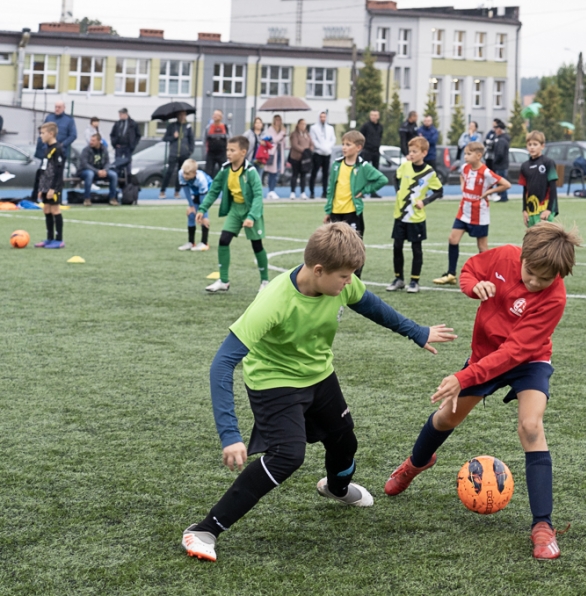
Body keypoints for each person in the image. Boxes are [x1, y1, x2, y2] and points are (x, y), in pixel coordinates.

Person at [180, 222, 457, 563]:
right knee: (288, 456)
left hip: (319, 376)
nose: (349, 283)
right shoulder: (274, 301)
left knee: (345, 441)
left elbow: (372, 305)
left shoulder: (341, 284)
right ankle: (204, 530)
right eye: (344, 276)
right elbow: (222, 365)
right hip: (274, 382)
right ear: (318, 270)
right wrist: (229, 434)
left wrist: (417, 331)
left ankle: (336, 489)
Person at [384, 222, 582, 560]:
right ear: (522, 255)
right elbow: (469, 270)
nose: (535, 283)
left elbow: (516, 352)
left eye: (545, 280)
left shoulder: (555, 298)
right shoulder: (504, 255)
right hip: (484, 355)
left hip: (528, 360)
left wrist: (464, 377)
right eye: (531, 273)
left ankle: (543, 526)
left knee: (531, 427)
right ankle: (415, 464)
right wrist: (474, 287)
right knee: (446, 417)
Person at [197, 136, 269, 293]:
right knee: (223, 240)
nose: (228, 153)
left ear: (243, 152)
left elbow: (258, 196)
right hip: (236, 210)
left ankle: (265, 281)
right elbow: (214, 190)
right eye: (227, 150)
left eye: (232, 150)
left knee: (257, 245)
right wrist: (202, 209)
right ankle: (223, 280)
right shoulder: (225, 169)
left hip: (250, 210)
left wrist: (251, 217)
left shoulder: (250, 171)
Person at [433, 141, 510, 286]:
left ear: (479, 155)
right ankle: (451, 274)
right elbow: (462, 176)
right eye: (465, 154)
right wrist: (463, 186)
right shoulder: (465, 168)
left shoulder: (486, 172)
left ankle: (488, 276)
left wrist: (488, 192)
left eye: (469, 154)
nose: (466, 157)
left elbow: (506, 184)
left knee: (482, 247)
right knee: (453, 239)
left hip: (480, 213)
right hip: (463, 210)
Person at [323, 130, 389, 278]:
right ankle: (335, 277)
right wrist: (328, 210)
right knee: (333, 247)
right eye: (343, 144)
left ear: (358, 148)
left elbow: (382, 179)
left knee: (354, 247)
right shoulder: (336, 165)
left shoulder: (363, 166)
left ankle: (355, 278)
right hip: (336, 212)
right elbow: (330, 189)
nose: (344, 147)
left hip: (352, 213)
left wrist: (366, 190)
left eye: (348, 144)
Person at [386, 136, 444, 294]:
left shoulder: (429, 173)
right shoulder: (404, 166)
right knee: (397, 247)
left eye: (414, 151)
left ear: (424, 153)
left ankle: (414, 281)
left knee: (416, 249)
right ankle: (399, 279)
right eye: (409, 151)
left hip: (416, 218)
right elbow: (395, 177)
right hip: (400, 215)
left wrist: (424, 202)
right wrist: (398, 191)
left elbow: (439, 191)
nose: (411, 154)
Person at [31, 101, 76, 202]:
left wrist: (62, 145)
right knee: (42, 173)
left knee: (57, 174)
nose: (57, 109)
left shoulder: (69, 120)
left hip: (59, 152)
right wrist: (43, 147)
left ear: (64, 108)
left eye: (59, 107)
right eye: (56, 107)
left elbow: (73, 135)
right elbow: (42, 132)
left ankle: (56, 199)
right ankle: (37, 196)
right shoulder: (49, 118)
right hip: (48, 152)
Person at [34, 122, 67, 249]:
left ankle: (59, 240)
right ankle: (49, 238)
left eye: (43, 133)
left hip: (54, 186)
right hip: (46, 186)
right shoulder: (47, 148)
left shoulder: (57, 149)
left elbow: (58, 171)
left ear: (51, 133)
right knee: (46, 209)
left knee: (55, 210)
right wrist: (41, 188)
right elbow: (44, 169)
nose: (41, 136)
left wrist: (53, 188)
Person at [516, 131, 559, 226]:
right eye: (529, 144)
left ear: (542, 146)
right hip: (531, 210)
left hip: (545, 209)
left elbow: (553, 188)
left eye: (535, 144)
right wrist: (524, 210)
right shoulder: (524, 166)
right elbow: (525, 190)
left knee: (544, 237)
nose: (532, 147)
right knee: (533, 238)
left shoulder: (548, 162)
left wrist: (549, 209)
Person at [177, 159, 213, 252]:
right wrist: (191, 206)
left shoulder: (201, 179)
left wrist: (203, 213)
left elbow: (203, 199)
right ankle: (191, 242)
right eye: (184, 173)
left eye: (187, 174)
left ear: (194, 173)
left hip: (208, 192)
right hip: (196, 192)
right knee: (191, 214)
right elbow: (186, 190)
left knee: (203, 217)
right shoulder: (181, 173)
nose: (185, 176)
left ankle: (204, 243)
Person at [77, 132, 119, 206]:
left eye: (93, 141)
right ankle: (87, 199)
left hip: (101, 171)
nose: (91, 142)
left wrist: (105, 170)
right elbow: (85, 164)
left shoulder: (104, 149)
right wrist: (97, 171)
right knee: (90, 174)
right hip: (85, 171)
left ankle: (112, 198)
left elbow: (107, 162)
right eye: (91, 140)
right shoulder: (86, 150)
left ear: (99, 141)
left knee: (113, 175)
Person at [160, 111, 194, 199]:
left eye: (184, 115)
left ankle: (177, 191)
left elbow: (191, 140)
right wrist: (173, 137)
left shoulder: (188, 126)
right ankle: (163, 191)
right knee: (169, 172)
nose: (182, 116)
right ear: (177, 116)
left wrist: (190, 151)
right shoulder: (172, 126)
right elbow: (165, 138)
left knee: (181, 173)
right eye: (180, 115)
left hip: (184, 154)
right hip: (173, 153)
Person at [310, 111, 336, 198]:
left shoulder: (330, 128)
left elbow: (333, 139)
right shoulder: (313, 128)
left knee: (326, 174)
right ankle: (312, 192)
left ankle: (324, 192)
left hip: (327, 153)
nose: (323, 119)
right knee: (314, 172)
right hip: (318, 153)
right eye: (321, 117)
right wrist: (321, 147)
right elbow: (313, 140)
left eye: (324, 117)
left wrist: (327, 147)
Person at [359, 110, 384, 198]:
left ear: (378, 116)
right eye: (372, 115)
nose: (373, 117)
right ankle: (360, 191)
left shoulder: (380, 127)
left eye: (375, 115)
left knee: (375, 172)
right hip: (367, 151)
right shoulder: (366, 126)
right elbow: (360, 136)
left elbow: (380, 137)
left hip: (376, 152)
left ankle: (373, 192)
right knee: (363, 172)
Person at [110, 108, 141, 177]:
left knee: (128, 164)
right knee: (117, 163)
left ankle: (128, 179)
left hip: (128, 147)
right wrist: (114, 144)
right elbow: (112, 134)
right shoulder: (117, 124)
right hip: (119, 147)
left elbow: (138, 135)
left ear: (125, 114)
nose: (120, 116)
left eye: (121, 114)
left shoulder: (133, 123)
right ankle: (117, 178)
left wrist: (133, 144)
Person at [287, 119, 313, 200]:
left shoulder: (307, 134)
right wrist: (304, 150)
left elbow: (311, 143)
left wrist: (309, 150)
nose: (303, 125)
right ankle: (292, 192)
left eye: (305, 124)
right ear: (298, 124)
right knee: (295, 174)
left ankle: (303, 192)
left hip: (304, 159)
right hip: (296, 157)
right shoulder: (294, 134)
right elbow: (295, 145)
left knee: (303, 176)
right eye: (302, 124)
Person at [263, 115, 287, 199]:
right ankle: (271, 191)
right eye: (276, 120)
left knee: (276, 172)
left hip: (280, 152)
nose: (278, 121)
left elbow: (284, 143)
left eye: (279, 120)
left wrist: (283, 137)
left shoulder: (282, 130)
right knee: (271, 173)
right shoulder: (270, 129)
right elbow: (274, 139)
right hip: (273, 153)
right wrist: (282, 134)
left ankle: (272, 190)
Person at [205, 110, 229, 180]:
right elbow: (205, 140)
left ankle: (224, 188)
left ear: (221, 117)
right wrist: (205, 152)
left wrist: (228, 152)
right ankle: (208, 189)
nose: (215, 116)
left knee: (224, 172)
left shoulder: (225, 127)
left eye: (217, 115)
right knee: (208, 172)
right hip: (211, 154)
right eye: (214, 115)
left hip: (222, 153)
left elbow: (229, 140)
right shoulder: (208, 127)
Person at [490, 121, 510, 202]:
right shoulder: (503, 139)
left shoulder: (501, 140)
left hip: (501, 165)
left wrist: (495, 161)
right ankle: (502, 196)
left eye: (496, 128)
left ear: (499, 129)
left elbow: (500, 153)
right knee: (501, 181)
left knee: (501, 182)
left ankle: (503, 197)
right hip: (502, 164)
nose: (495, 130)